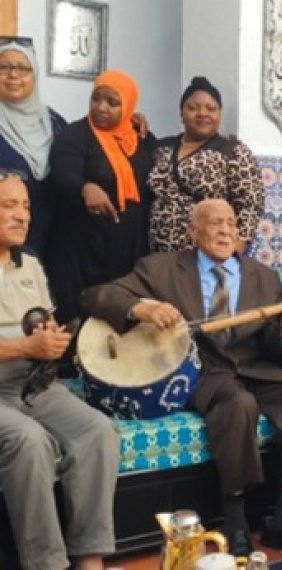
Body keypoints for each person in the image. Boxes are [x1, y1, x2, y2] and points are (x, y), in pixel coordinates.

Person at [80, 199, 282, 557]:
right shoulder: (161, 269)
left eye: (231, 222)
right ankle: (236, 518)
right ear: (193, 232)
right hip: (204, 368)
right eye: (214, 223)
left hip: (254, 366)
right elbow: (96, 296)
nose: (225, 230)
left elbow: (271, 347)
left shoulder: (263, 276)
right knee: (239, 404)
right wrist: (143, 308)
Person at [0, 170, 120, 570]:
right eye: (9, 206)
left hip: (35, 384)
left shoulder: (29, 263)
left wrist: (52, 340)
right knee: (30, 442)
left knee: (98, 430)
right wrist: (23, 347)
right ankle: (48, 565)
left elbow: (44, 322)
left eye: (27, 207)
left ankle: (90, 558)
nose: (22, 216)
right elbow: (24, 343)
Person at [45, 70, 156, 326]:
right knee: (76, 317)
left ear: (128, 106)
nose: (102, 108)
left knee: (120, 315)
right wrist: (85, 187)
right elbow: (61, 172)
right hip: (81, 249)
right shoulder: (76, 135)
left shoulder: (142, 139)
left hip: (127, 250)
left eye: (113, 103)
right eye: (97, 99)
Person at [148, 76, 263, 254]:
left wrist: (234, 249)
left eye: (211, 108)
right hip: (160, 257)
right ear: (181, 113)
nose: (202, 113)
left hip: (206, 256)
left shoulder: (233, 152)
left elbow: (251, 205)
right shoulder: (162, 148)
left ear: (219, 114)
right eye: (193, 108)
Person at [0, 37, 66, 255]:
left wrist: (130, 123)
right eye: (5, 67)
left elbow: (86, 148)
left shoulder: (54, 123)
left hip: (49, 240)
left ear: (34, 75)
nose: (13, 75)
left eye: (23, 68)